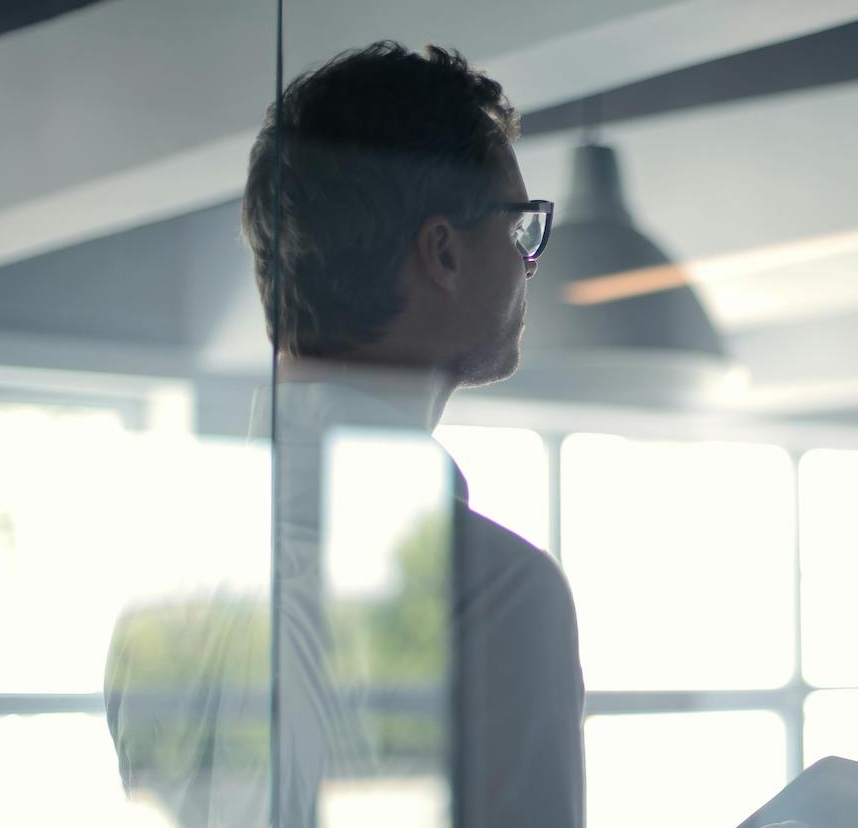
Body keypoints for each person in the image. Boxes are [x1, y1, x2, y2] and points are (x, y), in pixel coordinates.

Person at [104, 42, 582, 828]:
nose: (528, 261)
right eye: (518, 227)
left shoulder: (156, 605)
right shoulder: (495, 593)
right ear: (444, 252)